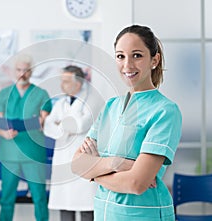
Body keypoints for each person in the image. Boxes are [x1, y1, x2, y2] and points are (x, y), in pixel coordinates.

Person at [71, 24, 182, 221]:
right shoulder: (111, 107)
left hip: (142, 214)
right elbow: (77, 165)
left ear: (154, 60)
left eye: (137, 55)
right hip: (104, 213)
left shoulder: (164, 111)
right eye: (120, 56)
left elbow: (136, 184)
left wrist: (94, 172)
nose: (127, 65)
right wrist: (119, 163)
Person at [0, 54, 52, 221]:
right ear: (14, 71)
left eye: (26, 70)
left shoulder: (41, 94)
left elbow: (42, 120)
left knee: (39, 198)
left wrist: (39, 120)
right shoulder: (4, 94)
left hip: (33, 154)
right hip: (9, 154)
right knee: (6, 199)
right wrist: (4, 132)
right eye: (19, 70)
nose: (22, 73)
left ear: (31, 72)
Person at [43, 65, 103, 221]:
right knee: (65, 206)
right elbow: (48, 127)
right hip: (63, 159)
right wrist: (66, 125)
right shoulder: (60, 103)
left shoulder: (93, 100)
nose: (62, 85)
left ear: (79, 83)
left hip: (83, 160)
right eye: (61, 81)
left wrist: (60, 124)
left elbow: (81, 125)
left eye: (66, 81)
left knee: (86, 208)